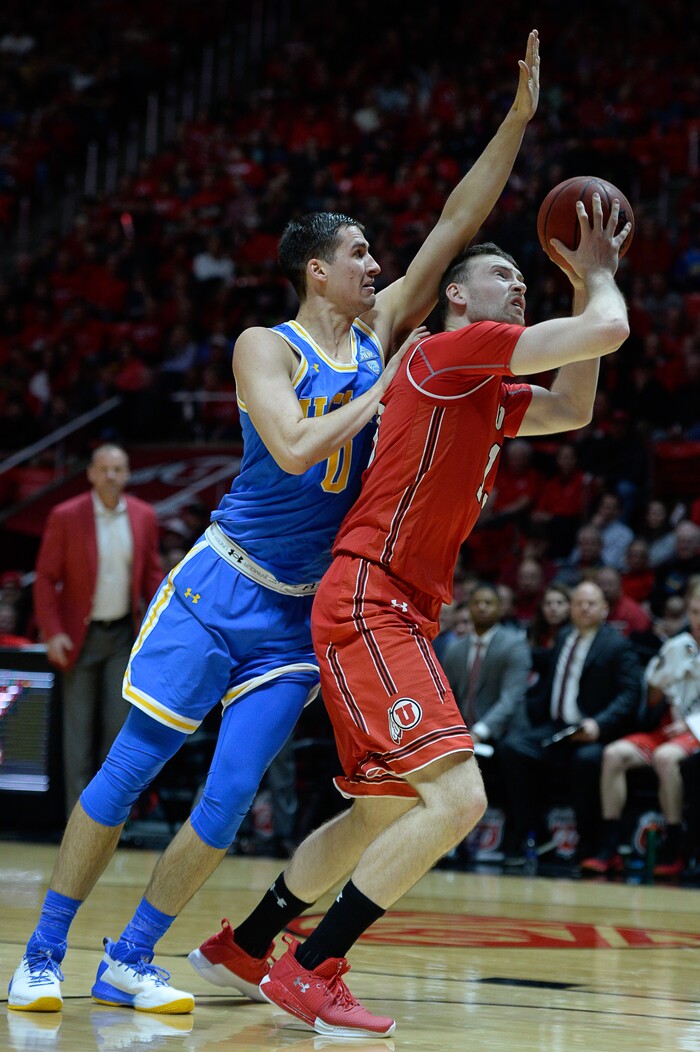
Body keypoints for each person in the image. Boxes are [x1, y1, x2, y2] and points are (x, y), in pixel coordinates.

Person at [8, 31, 542, 1016]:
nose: (379, 264)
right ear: (314, 272)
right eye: (358, 254)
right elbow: (296, 449)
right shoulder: (269, 345)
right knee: (131, 767)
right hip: (225, 581)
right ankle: (39, 950)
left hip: (301, 613)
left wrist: (514, 124)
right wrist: (380, 385)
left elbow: (451, 223)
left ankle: (129, 953)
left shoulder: (380, 334)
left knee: (225, 802)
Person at [190, 181, 632, 1036]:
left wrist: (580, 289)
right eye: (505, 276)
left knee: (385, 812)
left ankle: (245, 945)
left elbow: (573, 402)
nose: (520, 287)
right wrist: (602, 271)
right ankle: (313, 969)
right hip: (370, 598)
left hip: (392, 607)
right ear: (459, 297)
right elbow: (608, 330)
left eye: (525, 282)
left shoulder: (479, 389)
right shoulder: (446, 351)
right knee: (460, 801)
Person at [32, 444, 164, 816]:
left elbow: (153, 575)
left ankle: (107, 820)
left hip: (123, 635)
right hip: (79, 637)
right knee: (78, 736)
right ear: (90, 473)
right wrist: (52, 631)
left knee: (118, 732)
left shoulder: (143, 516)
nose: (111, 476)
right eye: (104, 469)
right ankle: (77, 819)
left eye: (118, 469)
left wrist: (158, 628)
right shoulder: (66, 516)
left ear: (127, 474)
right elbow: (44, 580)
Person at [499, 580, 642, 866]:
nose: (584, 608)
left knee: (586, 760)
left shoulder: (617, 645)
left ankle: (590, 844)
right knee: (512, 748)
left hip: (593, 731)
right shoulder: (564, 636)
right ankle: (539, 834)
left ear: (604, 609)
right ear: (571, 608)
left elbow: (630, 694)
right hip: (557, 728)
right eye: (578, 603)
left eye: (591, 603)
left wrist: (599, 724)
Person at [580, 579, 700, 878]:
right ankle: (611, 845)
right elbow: (653, 698)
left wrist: (690, 723)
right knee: (613, 754)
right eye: (696, 612)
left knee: (665, 758)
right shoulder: (678, 646)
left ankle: (675, 846)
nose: (699, 619)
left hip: (694, 732)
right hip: (669, 729)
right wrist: (655, 685)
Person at [442, 581, 531, 805]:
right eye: (477, 603)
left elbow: (510, 699)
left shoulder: (514, 645)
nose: (482, 607)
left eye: (488, 603)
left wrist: (479, 732)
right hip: (466, 731)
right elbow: (445, 696)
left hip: (505, 730)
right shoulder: (456, 649)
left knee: (510, 752)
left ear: (500, 608)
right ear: (469, 608)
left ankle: (518, 831)